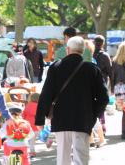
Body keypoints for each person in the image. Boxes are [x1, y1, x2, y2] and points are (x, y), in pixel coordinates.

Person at [35, 36, 109, 165]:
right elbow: (104, 98)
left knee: (62, 158)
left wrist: (40, 119)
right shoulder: (92, 69)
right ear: (82, 50)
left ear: (67, 49)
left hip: (61, 119)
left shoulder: (55, 67)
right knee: (81, 159)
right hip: (83, 120)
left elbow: (46, 95)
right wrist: (93, 115)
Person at [111, 42, 125, 139]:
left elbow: (112, 76)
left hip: (118, 88)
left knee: (124, 111)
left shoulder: (115, 61)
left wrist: (112, 88)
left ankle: (124, 131)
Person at [93, 35, 112, 132]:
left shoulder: (90, 54)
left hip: (91, 82)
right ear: (103, 43)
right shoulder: (105, 55)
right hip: (102, 82)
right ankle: (102, 125)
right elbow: (110, 71)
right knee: (101, 103)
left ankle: (95, 126)